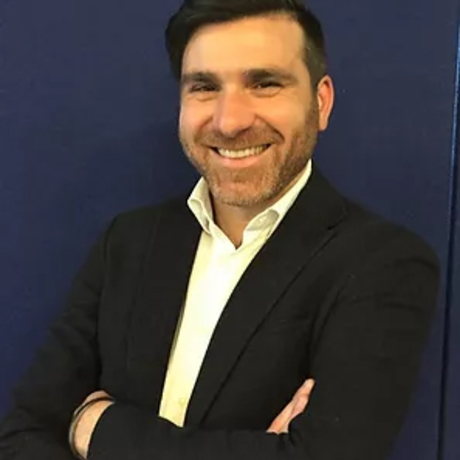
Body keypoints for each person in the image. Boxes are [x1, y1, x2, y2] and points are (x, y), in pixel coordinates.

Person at [0, 0, 439, 459]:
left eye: (264, 83)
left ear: (321, 102)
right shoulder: (127, 243)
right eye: (205, 87)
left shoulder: (383, 265)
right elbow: (23, 433)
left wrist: (98, 428)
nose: (230, 122)